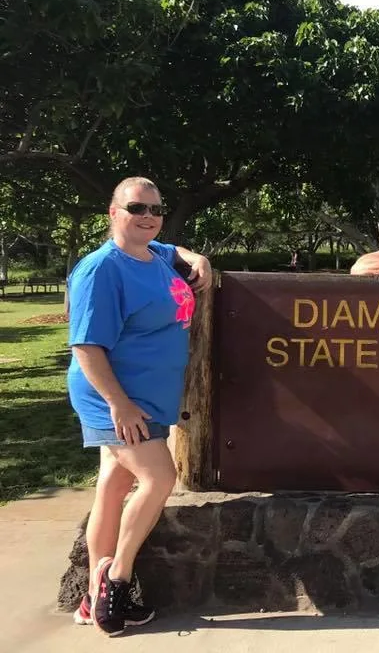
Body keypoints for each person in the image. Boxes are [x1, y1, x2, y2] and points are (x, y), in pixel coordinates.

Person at [67, 176, 212, 636]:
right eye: (136, 208)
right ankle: (117, 579)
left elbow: (171, 250)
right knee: (159, 477)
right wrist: (120, 405)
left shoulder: (153, 255)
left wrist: (194, 256)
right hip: (116, 397)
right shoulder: (102, 269)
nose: (147, 216)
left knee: (113, 484)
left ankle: (92, 597)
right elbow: (86, 346)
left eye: (155, 209)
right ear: (113, 213)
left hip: (147, 395)